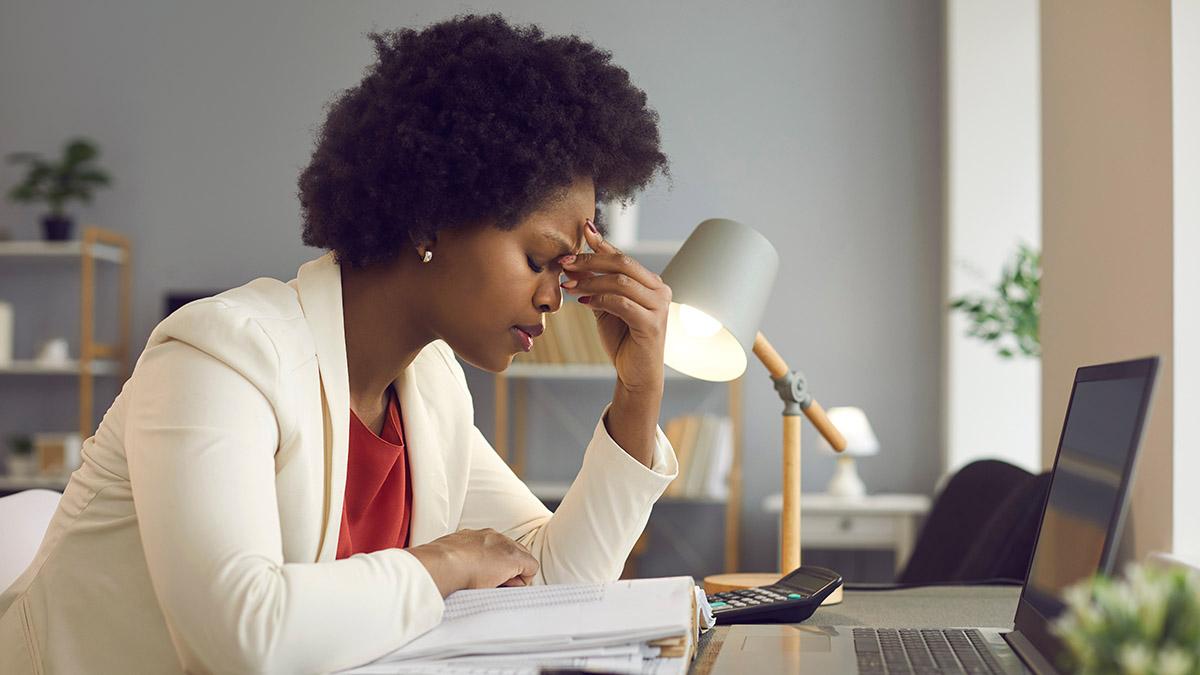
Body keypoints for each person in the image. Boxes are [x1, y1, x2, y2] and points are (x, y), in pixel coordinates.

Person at [0, 14, 677, 673]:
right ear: (431, 216)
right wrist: (442, 565)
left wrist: (638, 391)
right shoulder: (223, 355)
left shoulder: (430, 390)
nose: (555, 296)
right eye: (539, 260)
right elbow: (241, 636)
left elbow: (554, 585)